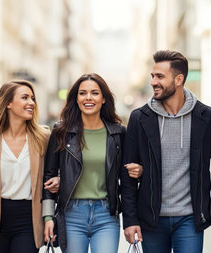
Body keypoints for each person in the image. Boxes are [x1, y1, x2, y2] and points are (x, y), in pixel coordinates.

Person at [121, 50, 211, 253]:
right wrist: (130, 219)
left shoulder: (205, 116)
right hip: (151, 219)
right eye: (153, 76)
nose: (154, 82)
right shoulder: (139, 118)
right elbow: (127, 174)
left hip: (190, 218)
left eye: (160, 77)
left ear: (179, 79)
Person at [42, 73, 141, 253]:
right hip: (71, 213)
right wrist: (48, 216)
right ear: (76, 99)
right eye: (82, 93)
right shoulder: (61, 132)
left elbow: (127, 183)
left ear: (103, 99)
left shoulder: (118, 133)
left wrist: (130, 219)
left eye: (95, 93)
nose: (88, 98)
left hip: (106, 215)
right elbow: (48, 177)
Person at [0, 80, 50, 252]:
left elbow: (53, 173)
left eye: (32, 98)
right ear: (8, 103)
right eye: (24, 98)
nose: (31, 102)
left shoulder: (43, 138)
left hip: (28, 219)